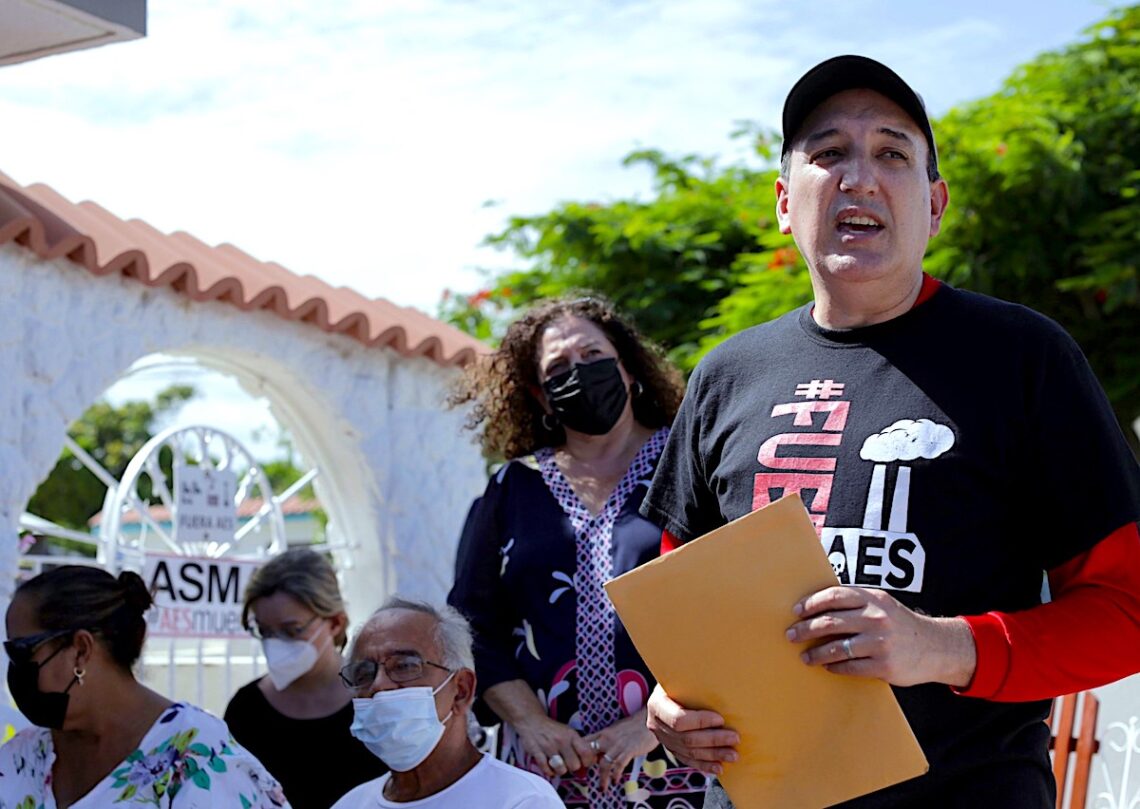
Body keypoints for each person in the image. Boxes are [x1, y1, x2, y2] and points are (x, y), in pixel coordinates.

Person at [640, 55, 1140, 808]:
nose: (859, 176)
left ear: (934, 205)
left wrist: (941, 646)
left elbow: (1126, 612)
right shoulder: (725, 374)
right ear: (784, 201)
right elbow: (680, 612)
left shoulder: (1024, 357)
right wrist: (670, 705)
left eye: (892, 153)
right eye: (830, 152)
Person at [447, 296, 706, 808]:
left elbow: (735, 606)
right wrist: (529, 722)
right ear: (542, 398)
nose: (579, 373)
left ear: (630, 371)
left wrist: (648, 724)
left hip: (678, 758)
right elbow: (471, 624)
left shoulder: (691, 464)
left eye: (592, 356)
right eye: (559, 368)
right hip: (544, 772)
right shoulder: (513, 489)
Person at [0, 565, 289, 808]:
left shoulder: (199, 762)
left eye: (22, 653)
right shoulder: (25, 757)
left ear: (81, 649)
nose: (15, 671)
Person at [331, 597, 562, 808]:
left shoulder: (521, 800)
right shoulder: (351, 804)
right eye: (363, 674)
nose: (378, 685)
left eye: (404, 666)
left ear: (461, 690)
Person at [225, 548, 387, 809]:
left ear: (335, 623)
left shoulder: (378, 698)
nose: (275, 643)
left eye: (291, 630)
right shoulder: (246, 710)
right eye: (264, 631)